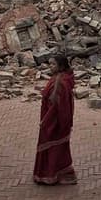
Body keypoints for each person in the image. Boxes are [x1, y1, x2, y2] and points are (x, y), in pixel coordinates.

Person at [33, 55, 77, 185]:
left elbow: (56, 106)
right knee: (59, 147)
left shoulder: (60, 82)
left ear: (61, 66)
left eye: (53, 64)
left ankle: (51, 174)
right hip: (58, 120)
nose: (50, 67)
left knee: (53, 147)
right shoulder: (61, 79)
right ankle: (61, 174)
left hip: (54, 122)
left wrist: (45, 121)